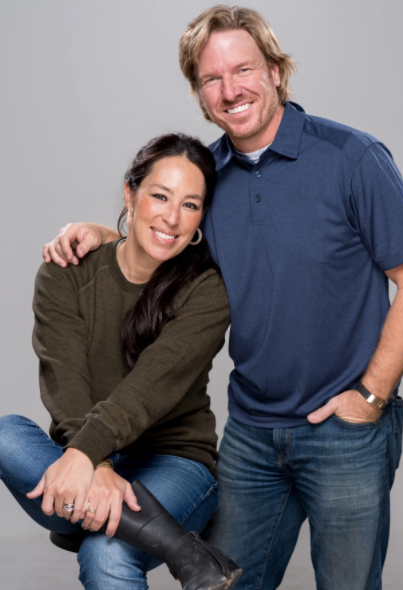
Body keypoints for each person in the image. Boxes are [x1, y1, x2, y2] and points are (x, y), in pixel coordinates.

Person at [41, 6, 403, 590]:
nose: (231, 90)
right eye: (211, 79)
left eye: (244, 70)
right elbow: (167, 233)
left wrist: (372, 394)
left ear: (277, 71)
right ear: (200, 95)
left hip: (345, 433)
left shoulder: (351, 158)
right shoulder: (207, 181)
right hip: (252, 435)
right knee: (220, 581)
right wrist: (107, 234)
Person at [0, 133, 243, 590]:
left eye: (190, 205)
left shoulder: (206, 291)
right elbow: (65, 379)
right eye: (160, 196)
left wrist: (87, 460)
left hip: (176, 463)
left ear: (200, 220)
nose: (172, 217)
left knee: (107, 552)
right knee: (6, 433)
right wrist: (100, 467)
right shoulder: (66, 270)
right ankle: (179, 548)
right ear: (131, 195)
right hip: (83, 455)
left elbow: (148, 389)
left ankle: (95, 516)